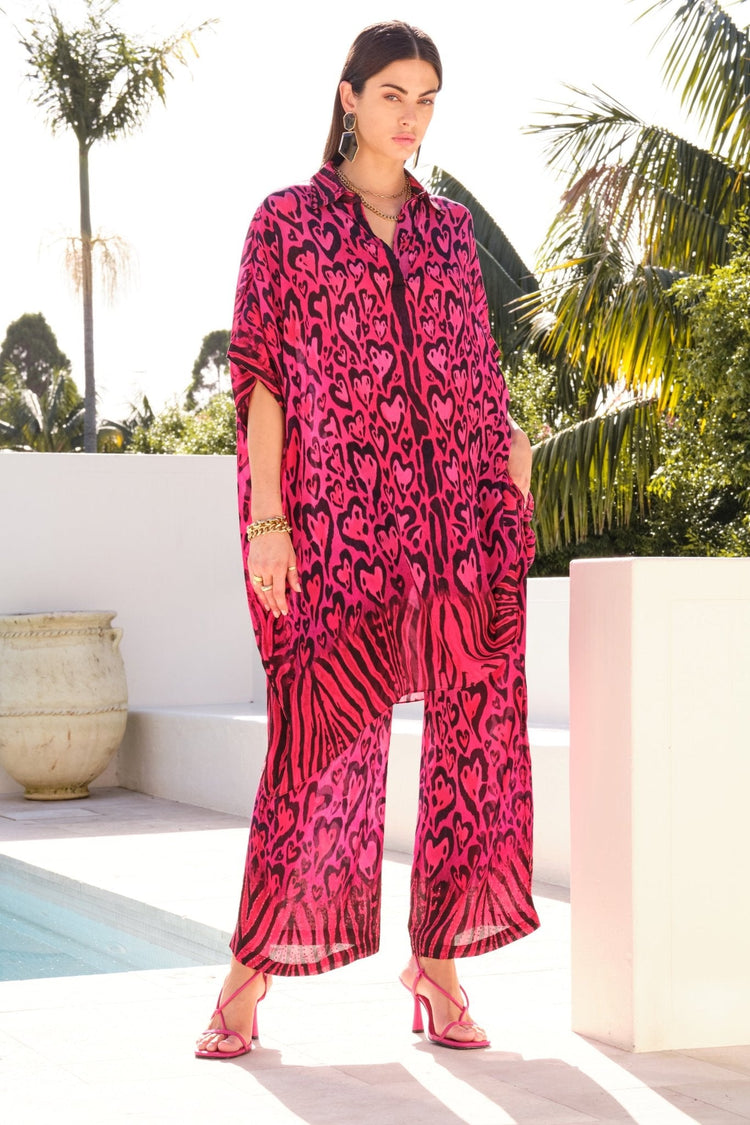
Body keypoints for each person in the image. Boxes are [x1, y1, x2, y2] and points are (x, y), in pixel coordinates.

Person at [195, 19, 539, 1060]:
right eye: (393, 94)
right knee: (317, 745)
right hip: (339, 528)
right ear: (349, 96)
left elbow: (475, 369)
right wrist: (267, 520)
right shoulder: (287, 222)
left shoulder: (447, 232)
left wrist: (513, 462)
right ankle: (247, 976)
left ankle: (438, 969)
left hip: (455, 525)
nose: (411, 117)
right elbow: (261, 379)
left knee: (472, 739)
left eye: (426, 99)